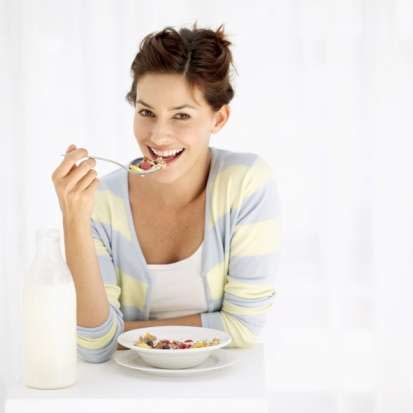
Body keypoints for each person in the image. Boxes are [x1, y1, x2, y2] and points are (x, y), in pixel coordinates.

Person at [51, 22, 281, 363]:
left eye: (182, 116)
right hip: (124, 392)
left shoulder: (245, 183)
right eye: (146, 112)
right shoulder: (100, 200)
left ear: (218, 120)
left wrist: (122, 333)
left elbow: (243, 326)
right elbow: (95, 344)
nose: (158, 136)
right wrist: (73, 218)